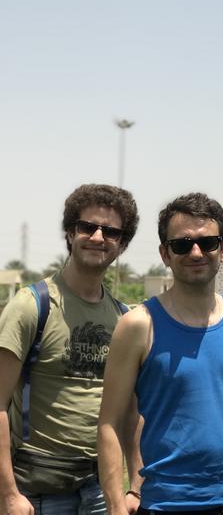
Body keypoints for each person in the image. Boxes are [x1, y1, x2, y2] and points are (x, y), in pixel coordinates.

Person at [98, 193, 223, 515]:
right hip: (170, 503)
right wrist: (116, 506)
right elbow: (109, 423)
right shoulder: (137, 326)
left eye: (208, 242)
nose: (196, 252)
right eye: (182, 244)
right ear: (165, 253)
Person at [0, 184, 140, 515]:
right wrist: (7, 494)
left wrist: (135, 485)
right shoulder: (31, 306)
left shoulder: (124, 318)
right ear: (70, 232)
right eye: (87, 227)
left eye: (110, 231)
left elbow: (132, 413)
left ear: (122, 244)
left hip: (99, 488)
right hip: (36, 489)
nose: (97, 237)